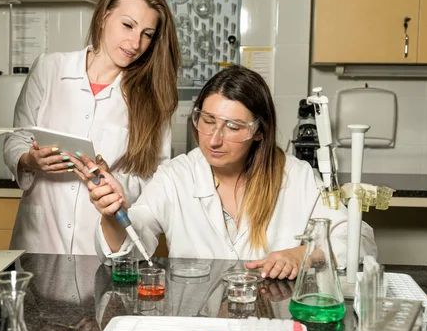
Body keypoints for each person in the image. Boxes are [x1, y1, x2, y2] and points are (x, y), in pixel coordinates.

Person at [85, 65, 377, 280]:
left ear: (259, 132)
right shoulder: (176, 176)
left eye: (233, 128)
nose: (213, 139)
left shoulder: (296, 176)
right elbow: (126, 252)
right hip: (198, 328)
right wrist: (112, 215)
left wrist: (303, 255)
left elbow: (357, 239)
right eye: (207, 121)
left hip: (270, 324)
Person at [3, 0, 179, 254]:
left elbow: (155, 180)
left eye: (147, 34)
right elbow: (17, 139)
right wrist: (30, 160)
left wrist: (116, 183)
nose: (135, 43)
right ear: (103, 18)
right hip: (38, 239)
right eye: (127, 25)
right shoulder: (49, 69)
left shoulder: (153, 98)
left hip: (99, 246)